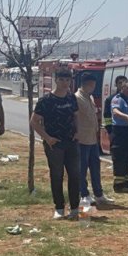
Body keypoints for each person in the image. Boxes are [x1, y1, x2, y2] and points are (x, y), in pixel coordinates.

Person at [31, 68, 81, 220]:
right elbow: (34, 122)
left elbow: (76, 116)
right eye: (62, 80)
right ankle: (59, 208)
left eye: (68, 80)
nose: (65, 83)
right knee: (57, 175)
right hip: (55, 144)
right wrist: (47, 138)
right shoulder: (46, 101)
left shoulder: (71, 98)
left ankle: (74, 208)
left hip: (71, 142)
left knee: (75, 175)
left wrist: (78, 131)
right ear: (56, 80)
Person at [75, 73, 114, 206]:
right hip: (82, 139)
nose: (93, 87)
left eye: (94, 85)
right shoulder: (77, 98)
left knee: (95, 168)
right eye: (91, 85)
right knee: (82, 168)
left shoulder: (89, 97)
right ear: (84, 84)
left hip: (92, 138)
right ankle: (84, 194)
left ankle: (99, 194)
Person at [109, 79, 128, 192]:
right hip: (120, 131)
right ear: (122, 88)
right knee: (120, 157)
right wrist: (126, 117)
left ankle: (126, 180)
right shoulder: (117, 99)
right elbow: (115, 111)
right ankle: (119, 185)